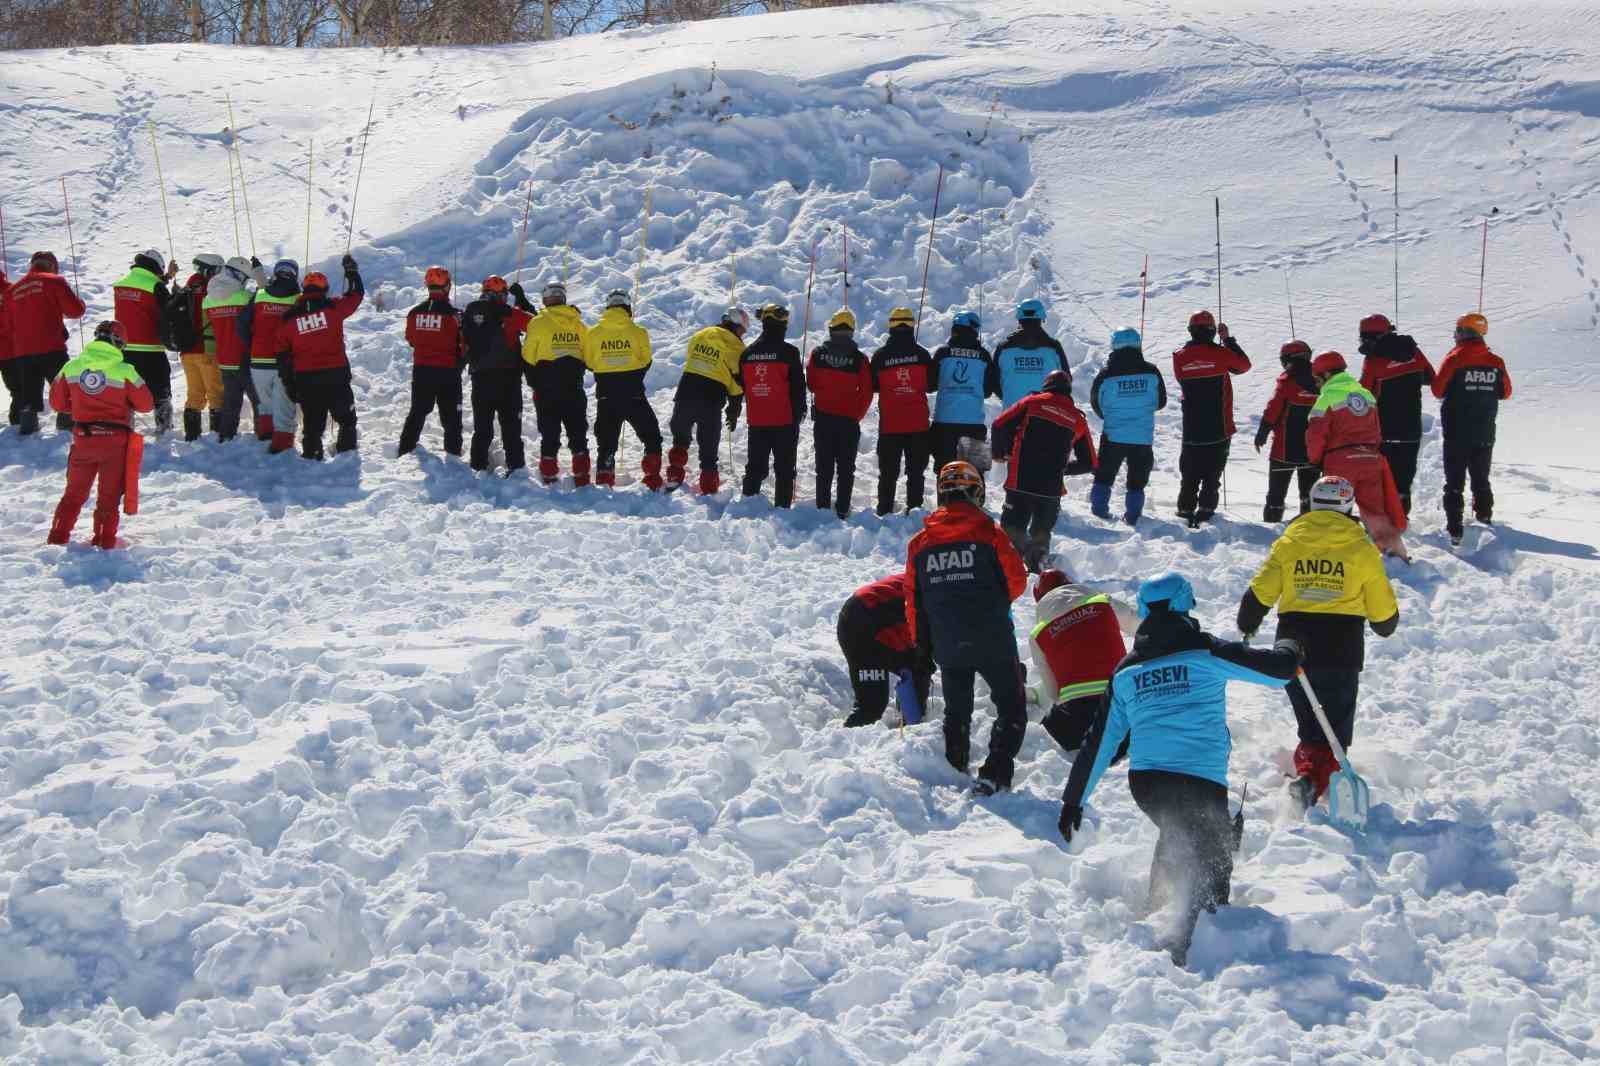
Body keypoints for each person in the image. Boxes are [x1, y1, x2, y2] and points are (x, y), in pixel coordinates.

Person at [1061, 573, 1303, 965]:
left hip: (1148, 786)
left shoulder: (1126, 672)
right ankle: (1195, 945)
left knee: (1178, 828)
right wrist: (1291, 645)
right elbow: (1279, 670)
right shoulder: (1204, 651)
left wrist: (1074, 800)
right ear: (1183, 606)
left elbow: (1099, 742)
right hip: (1198, 781)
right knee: (1213, 858)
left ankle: (1157, 906)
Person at [1236, 475, 1400, 810]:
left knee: (1311, 721)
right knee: (1335, 727)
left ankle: (1309, 771)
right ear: (1348, 506)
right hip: (1342, 647)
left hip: (1295, 646)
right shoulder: (1360, 548)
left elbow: (1262, 590)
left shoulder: (1290, 542)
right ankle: (1311, 780)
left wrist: (1248, 620)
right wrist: (1386, 622)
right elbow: (1383, 616)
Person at [905, 461, 1029, 794]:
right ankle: (995, 772)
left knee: (956, 712)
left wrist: (922, 647)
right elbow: (1017, 581)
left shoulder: (919, 544)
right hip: (993, 637)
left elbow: (913, 601)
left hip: (947, 640)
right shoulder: (990, 533)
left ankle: (955, 766)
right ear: (976, 492)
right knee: (1011, 706)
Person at [45, 321, 154, 548]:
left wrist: (79, 406)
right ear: (119, 343)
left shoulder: (71, 366)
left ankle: (57, 538)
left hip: (82, 440)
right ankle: (104, 542)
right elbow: (146, 405)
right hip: (115, 443)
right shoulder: (125, 371)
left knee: (73, 494)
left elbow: (56, 402)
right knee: (108, 499)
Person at [990, 369, 1096, 571]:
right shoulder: (1078, 418)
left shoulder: (1032, 403)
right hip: (1051, 490)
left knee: (1011, 531)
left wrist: (1000, 453)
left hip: (1021, 482)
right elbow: (1089, 462)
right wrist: (1061, 468)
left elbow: (998, 424)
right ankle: (1040, 571)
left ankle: (1009, 572)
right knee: (1041, 534)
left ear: (1046, 385)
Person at [1305, 351, 1408, 558]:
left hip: (1340, 462)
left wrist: (1315, 460)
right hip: (1371, 459)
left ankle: (1331, 555)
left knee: (1333, 511)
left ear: (1325, 375)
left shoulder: (1327, 397)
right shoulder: (1366, 395)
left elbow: (1316, 434)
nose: (1317, 385)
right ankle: (1394, 554)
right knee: (1375, 512)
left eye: (1317, 379)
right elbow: (1377, 431)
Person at [1028, 567, 1139, 755]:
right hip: (1126, 715)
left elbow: (1054, 693)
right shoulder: (1103, 602)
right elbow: (1141, 627)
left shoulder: (1038, 634)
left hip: (1077, 729)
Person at [1432, 312, 1512, 545]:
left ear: (1463, 333)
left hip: (1457, 432)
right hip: (1485, 431)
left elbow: (1438, 390)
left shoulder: (1454, 359)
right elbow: (1506, 393)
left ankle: (1455, 529)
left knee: (1454, 482)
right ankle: (1485, 518)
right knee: (1481, 479)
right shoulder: (1496, 362)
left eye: (1457, 330)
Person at [276, 256, 364, 460]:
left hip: (307, 379)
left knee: (313, 427)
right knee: (347, 420)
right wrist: (352, 272)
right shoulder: (333, 308)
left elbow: (282, 353)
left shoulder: (289, 318)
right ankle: (346, 456)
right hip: (336, 376)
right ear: (324, 290)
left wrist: (289, 383)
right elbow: (356, 295)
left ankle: (312, 460)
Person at [1171, 310, 1251, 527]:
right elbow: (1244, 366)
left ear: (1190, 330)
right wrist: (1227, 340)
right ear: (1212, 331)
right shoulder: (1221, 353)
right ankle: (1206, 517)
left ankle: (1184, 514)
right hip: (1219, 428)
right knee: (1211, 478)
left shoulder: (1178, 357)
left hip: (1192, 429)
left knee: (1189, 476)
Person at [584, 288, 664, 490]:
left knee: (606, 443)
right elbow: (645, 360)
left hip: (606, 395)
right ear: (628, 307)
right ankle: (652, 477)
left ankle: (604, 478)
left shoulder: (593, 333)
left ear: (608, 306)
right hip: (633, 393)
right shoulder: (639, 332)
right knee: (651, 436)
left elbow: (590, 362)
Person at [1355, 313, 1433, 516]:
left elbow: (1364, 395)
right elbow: (1430, 377)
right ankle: (1401, 518)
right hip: (1411, 429)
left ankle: (1382, 521)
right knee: (1404, 480)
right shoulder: (1413, 351)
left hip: (1383, 430)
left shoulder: (1372, 361)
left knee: (1382, 477)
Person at [1089, 327, 1166, 525]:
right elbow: (1161, 401)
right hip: (1142, 435)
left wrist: (1110, 415)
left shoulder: (1106, 374)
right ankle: (1132, 517)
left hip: (1113, 434)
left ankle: (1099, 513)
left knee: (1104, 475)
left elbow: (1096, 402)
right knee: (1137, 480)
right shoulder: (1151, 371)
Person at [459, 275, 536, 475]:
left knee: (482, 429)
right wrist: (522, 300)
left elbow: (461, 342)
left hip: (480, 379)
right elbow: (536, 324)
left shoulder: (469, 312)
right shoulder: (508, 313)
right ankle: (516, 468)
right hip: (508, 380)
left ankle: (478, 468)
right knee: (511, 428)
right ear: (501, 294)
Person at [837, 573, 933, 728]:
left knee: (919, 669)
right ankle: (841, 745)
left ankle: (912, 727)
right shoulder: (941, 591)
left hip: (879, 620)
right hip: (861, 623)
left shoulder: (940, 583)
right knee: (870, 707)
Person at [667, 308, 746, 493]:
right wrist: (734, 406)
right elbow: (737, 380)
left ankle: (673, 476)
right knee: (708, 444)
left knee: (680, 438)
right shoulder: (736, 347)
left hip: (686, 390)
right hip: (711, 397)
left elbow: (691, 357)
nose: (743, 334)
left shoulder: (701, 334)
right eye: (742, 330)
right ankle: (709, 486)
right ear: (737, 326)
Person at [9, 250, 86, 435]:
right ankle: (65, 426)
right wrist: (81, 303)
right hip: (51, 347)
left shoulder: (13, 290)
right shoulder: (54, 281)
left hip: (23, 351)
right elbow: (75, 311)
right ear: (52, 266)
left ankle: (28, 431)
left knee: (29, 395)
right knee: (64, 389)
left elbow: (9, 323)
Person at [522, 280, 591, 486]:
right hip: (573, 385)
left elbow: (528, 355)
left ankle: (549, 474)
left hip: (546, 386)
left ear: (545, 299)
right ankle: (582, 475)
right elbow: (588, 355)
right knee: (578, 430)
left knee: (550, 431)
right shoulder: (578, 323)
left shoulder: (537, 322)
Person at [867, 307, 935, 514]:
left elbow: (873, 385)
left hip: (890, 424)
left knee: (888, 473)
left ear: (891, 326)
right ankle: (914, 508)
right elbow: (931, 385)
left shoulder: (880, 356)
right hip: (918, 425)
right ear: (912, 325)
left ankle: (884, 509)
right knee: (916, 473)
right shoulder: (922, 355)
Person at [736, 303, 805, 506]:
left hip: (757, 420)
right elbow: (798, 387)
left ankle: (748, 506)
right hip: (785, 420)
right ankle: (782, 507)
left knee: (755, 467)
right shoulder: (789, 352)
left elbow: (743, 384)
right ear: (782, 325)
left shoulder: (747, 354)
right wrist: (799, 411)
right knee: (784, 468)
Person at [807, 308, 873, 516]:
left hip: (824, 419)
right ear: (852, 331)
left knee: (823, 467)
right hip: (848, 421)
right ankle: (843, 508)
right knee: (846, 469)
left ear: (831, 329)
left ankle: (822, 507)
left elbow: (811, 384)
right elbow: (867, 392)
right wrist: (856, 414)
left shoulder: (817, 354)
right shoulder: (859, 359)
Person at [397, 265, 464, 458]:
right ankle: (453, 454)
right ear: (447, 286)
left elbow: (410, 339)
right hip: (448, 372)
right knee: (451, 417)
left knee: (417, 412)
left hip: (422, 370)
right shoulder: (454, 315)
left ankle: (405, 450)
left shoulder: (414, 313)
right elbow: (463, 343)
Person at [111, 248, 180, 433]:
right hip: (150, 349)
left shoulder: (121, 285)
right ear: (156, 267)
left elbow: (145, 291)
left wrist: (166, 278)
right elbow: (167, 308)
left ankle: (124, 427)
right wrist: (176, 294)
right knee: (161, 392)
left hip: (123, 348)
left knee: (126, 391)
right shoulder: (155, 286)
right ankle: (164, 429)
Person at [239, 259, 303, 450]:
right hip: (285, 362)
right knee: (285, 407)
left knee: (265, 404)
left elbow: (242, 324)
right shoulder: (298, 299)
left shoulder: (260, 295)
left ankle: (265, 438)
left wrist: (253, 344)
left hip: (258, 361)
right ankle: (282, 449)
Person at [1254, 340, 1321, 522]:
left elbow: (1273, 410)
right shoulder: (1324, 380)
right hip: (1314, 449)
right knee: (1309, 494)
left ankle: (1271, 525)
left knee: (1276, 494)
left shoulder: (1287, 382)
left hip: (1284, 449)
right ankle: (1311, 527)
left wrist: (1262, 432)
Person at [929, 310, 999, 472]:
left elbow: (930, 385)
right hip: (973, 424)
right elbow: (988, 391)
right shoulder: (983, 356)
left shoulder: (943, 353)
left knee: (945, 472)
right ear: (974, 330)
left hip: (943, 424)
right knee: (975, 473)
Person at [203, 256, 262, 441]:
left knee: (230, 403)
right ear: (239, 276)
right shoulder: (245, 298)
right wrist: (259, 274)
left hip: (225, 360)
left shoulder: (208, 300)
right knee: (259, 402)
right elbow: (265, 296)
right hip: (245, 359)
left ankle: (225, 437)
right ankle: (262, 438)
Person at [171, 253, 225, 440]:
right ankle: (218, 437)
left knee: (194, 395)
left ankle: (192, 436)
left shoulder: (186, 289)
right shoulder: (211, 290)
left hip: (187, 352)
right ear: (209, 270)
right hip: (207, 350)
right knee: (216, 394)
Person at [993, 298, 1070, 409]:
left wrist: (1010, 397)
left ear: (1019, 318)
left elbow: (995, 383)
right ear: (1041, 317)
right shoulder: (1054, 348)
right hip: (1046, 415)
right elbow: (1066, 381)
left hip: (1012, 416)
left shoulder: (1004, 348)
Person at [0, 269, 17, 425]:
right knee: (17, 388)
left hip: (8, 349)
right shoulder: (11, 291)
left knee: (15, 387)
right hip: (9, 350)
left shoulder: (9, 291)